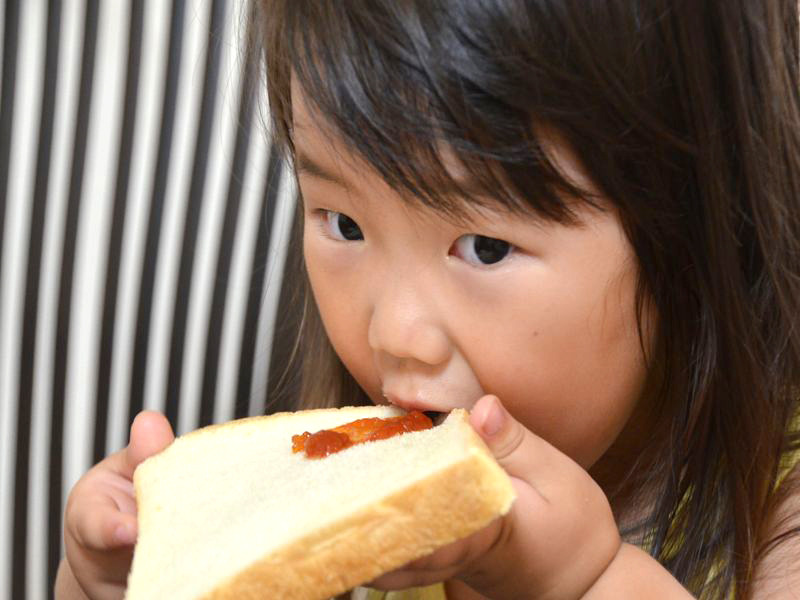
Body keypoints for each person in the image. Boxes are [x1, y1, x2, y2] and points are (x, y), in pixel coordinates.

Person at [55, 0, 800, 598]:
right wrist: (115, 582)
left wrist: (579, 580)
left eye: (484, 247)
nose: (394, 332)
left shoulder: (781, 528)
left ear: (699, 228)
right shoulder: (347, 506)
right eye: (345, 225)